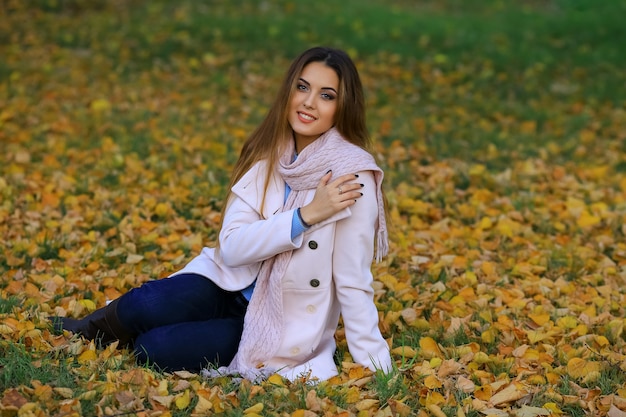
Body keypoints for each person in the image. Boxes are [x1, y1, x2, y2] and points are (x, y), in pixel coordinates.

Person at [54, 46, 392, 382]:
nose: (308, 102)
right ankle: (91, 329)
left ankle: (166, 335)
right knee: (144, 304)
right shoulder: (273, 153)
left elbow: (353, 279)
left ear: (342, 107)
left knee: (154, 349)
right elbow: (232, 246)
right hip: (228, 283)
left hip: (278, 321)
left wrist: (376, 366)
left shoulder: (352, 176)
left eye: (326, 95)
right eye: (302, 87)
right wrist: (304, 216)